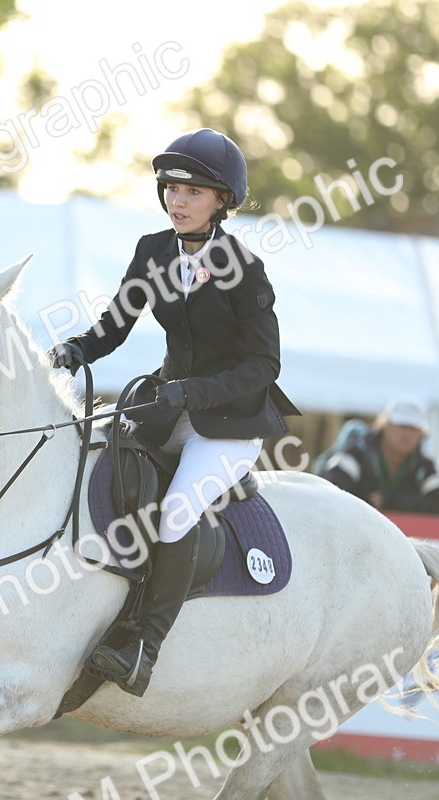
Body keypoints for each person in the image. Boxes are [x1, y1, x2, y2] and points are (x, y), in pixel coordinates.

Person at [47, 128, 300, 697]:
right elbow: (115, 324)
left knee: (179, 509)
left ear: (222, 202)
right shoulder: (153, 251)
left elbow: (265, 366)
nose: (177, 201)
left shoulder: (245, 268)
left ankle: (144, 646)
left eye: (194, 192)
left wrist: (191, 393)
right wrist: (76, 350)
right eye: (171, 189)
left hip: (230, 422)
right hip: (167, 406)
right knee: (101, 462)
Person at [318, 396, 439, 515]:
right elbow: (329, 494)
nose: (407, 434)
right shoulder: (354, 455)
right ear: (384, 425)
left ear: (421, 434)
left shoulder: (423, 468)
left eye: (413, 428)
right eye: (401, 425)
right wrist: (366, 502)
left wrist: (391, 500)